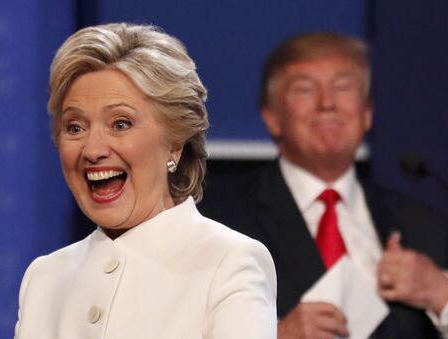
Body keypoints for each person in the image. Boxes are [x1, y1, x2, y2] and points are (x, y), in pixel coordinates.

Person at [198, 32, 448, 338]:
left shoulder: (425, 227)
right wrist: (275, 334)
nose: (327, 103)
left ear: (367, 113)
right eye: (305, 90)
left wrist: (442, 294)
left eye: (343, 87)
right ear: (272, 117)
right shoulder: (218, 218)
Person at [14, 23, 277, 339]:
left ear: (175, 142)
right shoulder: (44, 278)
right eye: (74, 127)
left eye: (120, 124)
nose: (93, 150)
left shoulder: (229, 262)